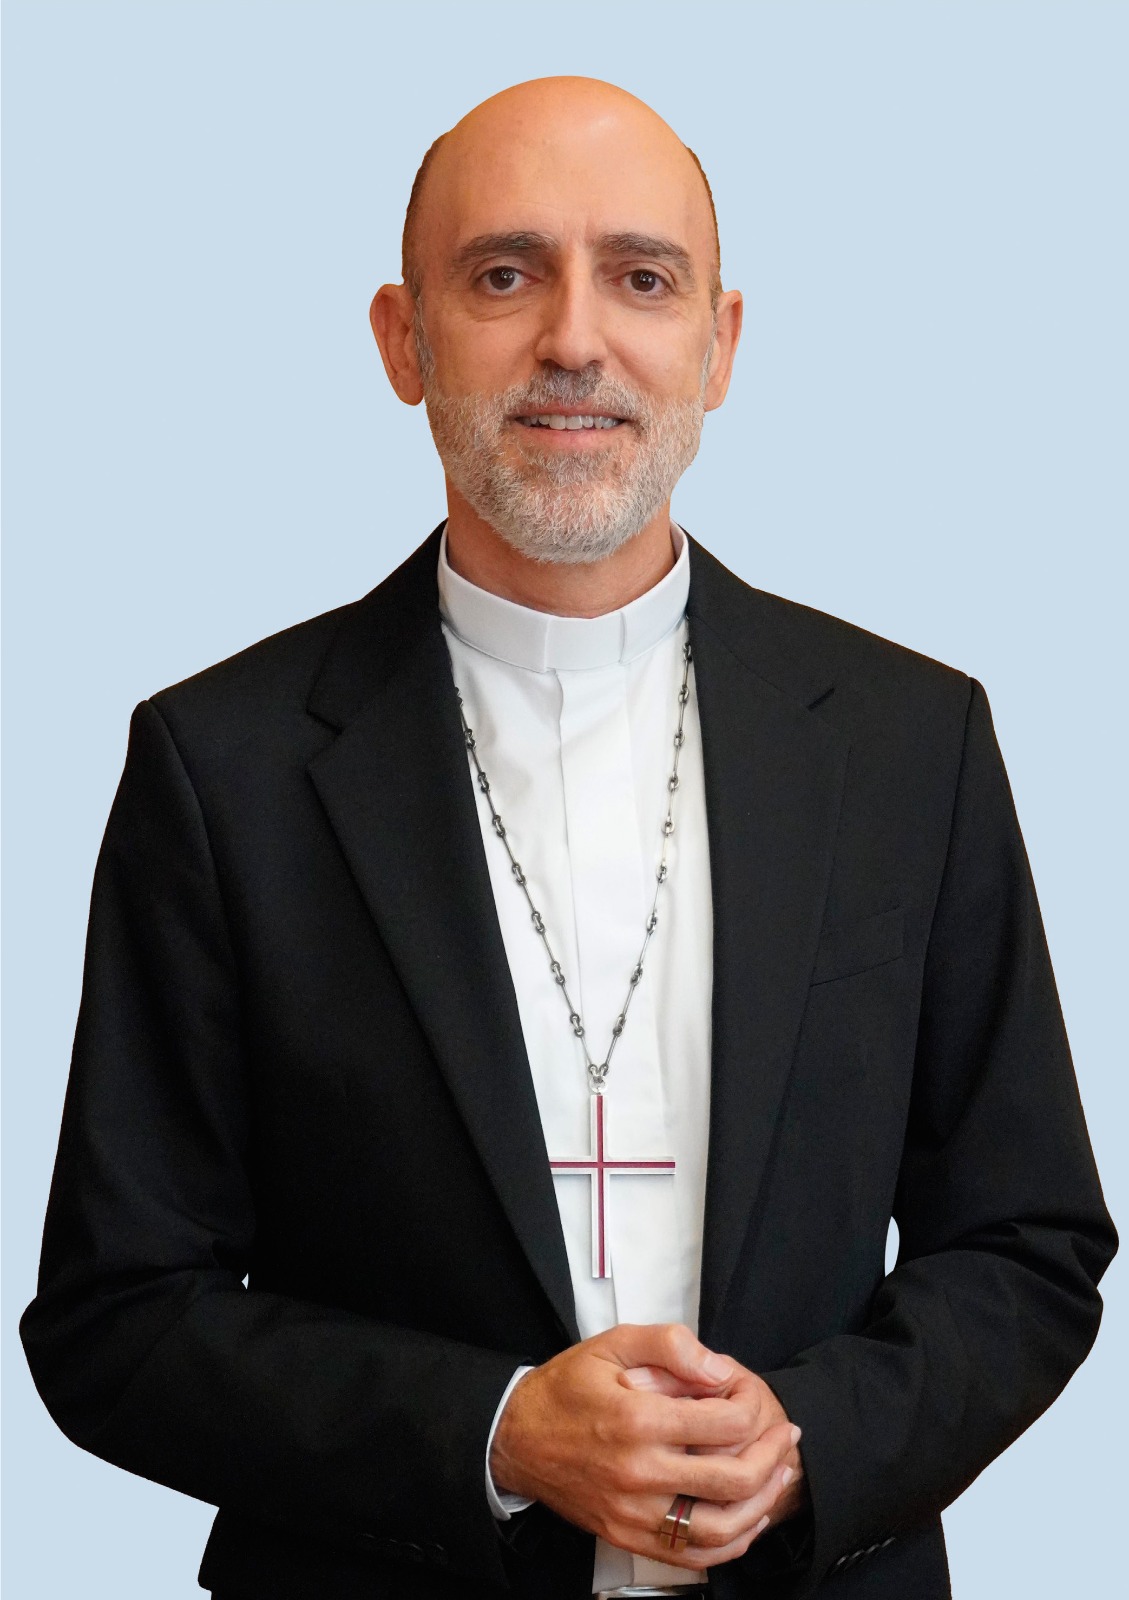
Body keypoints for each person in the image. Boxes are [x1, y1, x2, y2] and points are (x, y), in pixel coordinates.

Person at [20, 76, 1115, 1600]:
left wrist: (809, 1439)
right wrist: (496, 1432)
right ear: (403, 340)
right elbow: (117, 1315)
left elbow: (1028, 1245)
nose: (575, 340)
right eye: (503, 275)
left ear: (718, 346)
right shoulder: (223, 770)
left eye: (642, 280)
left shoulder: (908, 745)